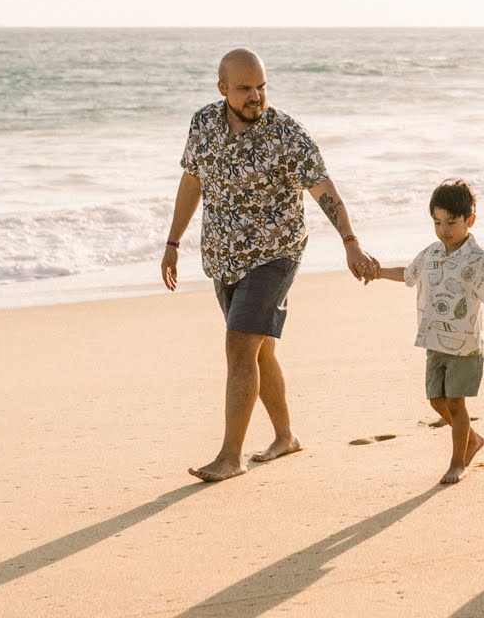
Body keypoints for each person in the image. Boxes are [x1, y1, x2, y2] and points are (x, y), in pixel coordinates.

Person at [162, 48, 380, 483]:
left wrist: (350, 242)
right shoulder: (203, 124)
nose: (256, 96)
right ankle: (286, 436)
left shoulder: (287, 134)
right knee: (259, 351)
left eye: (261, 86)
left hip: (276, 254)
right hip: (224, 257)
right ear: (223, 88)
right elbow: (192, 180)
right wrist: (173, 241)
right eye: (245, 88)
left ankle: (230, 456)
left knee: (240, 344)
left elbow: (323, 188)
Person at [374, 179, 484, 484]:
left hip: (464, 347)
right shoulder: (431, 253)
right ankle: (472, 439)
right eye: (437, 222)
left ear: (469, 220)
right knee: (437, 401)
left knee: (457, 404)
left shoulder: (478, 260)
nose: (443, 229)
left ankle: (457, 462)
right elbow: (408, 274)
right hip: (434, 342)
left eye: (451, 222)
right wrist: (378, 272)